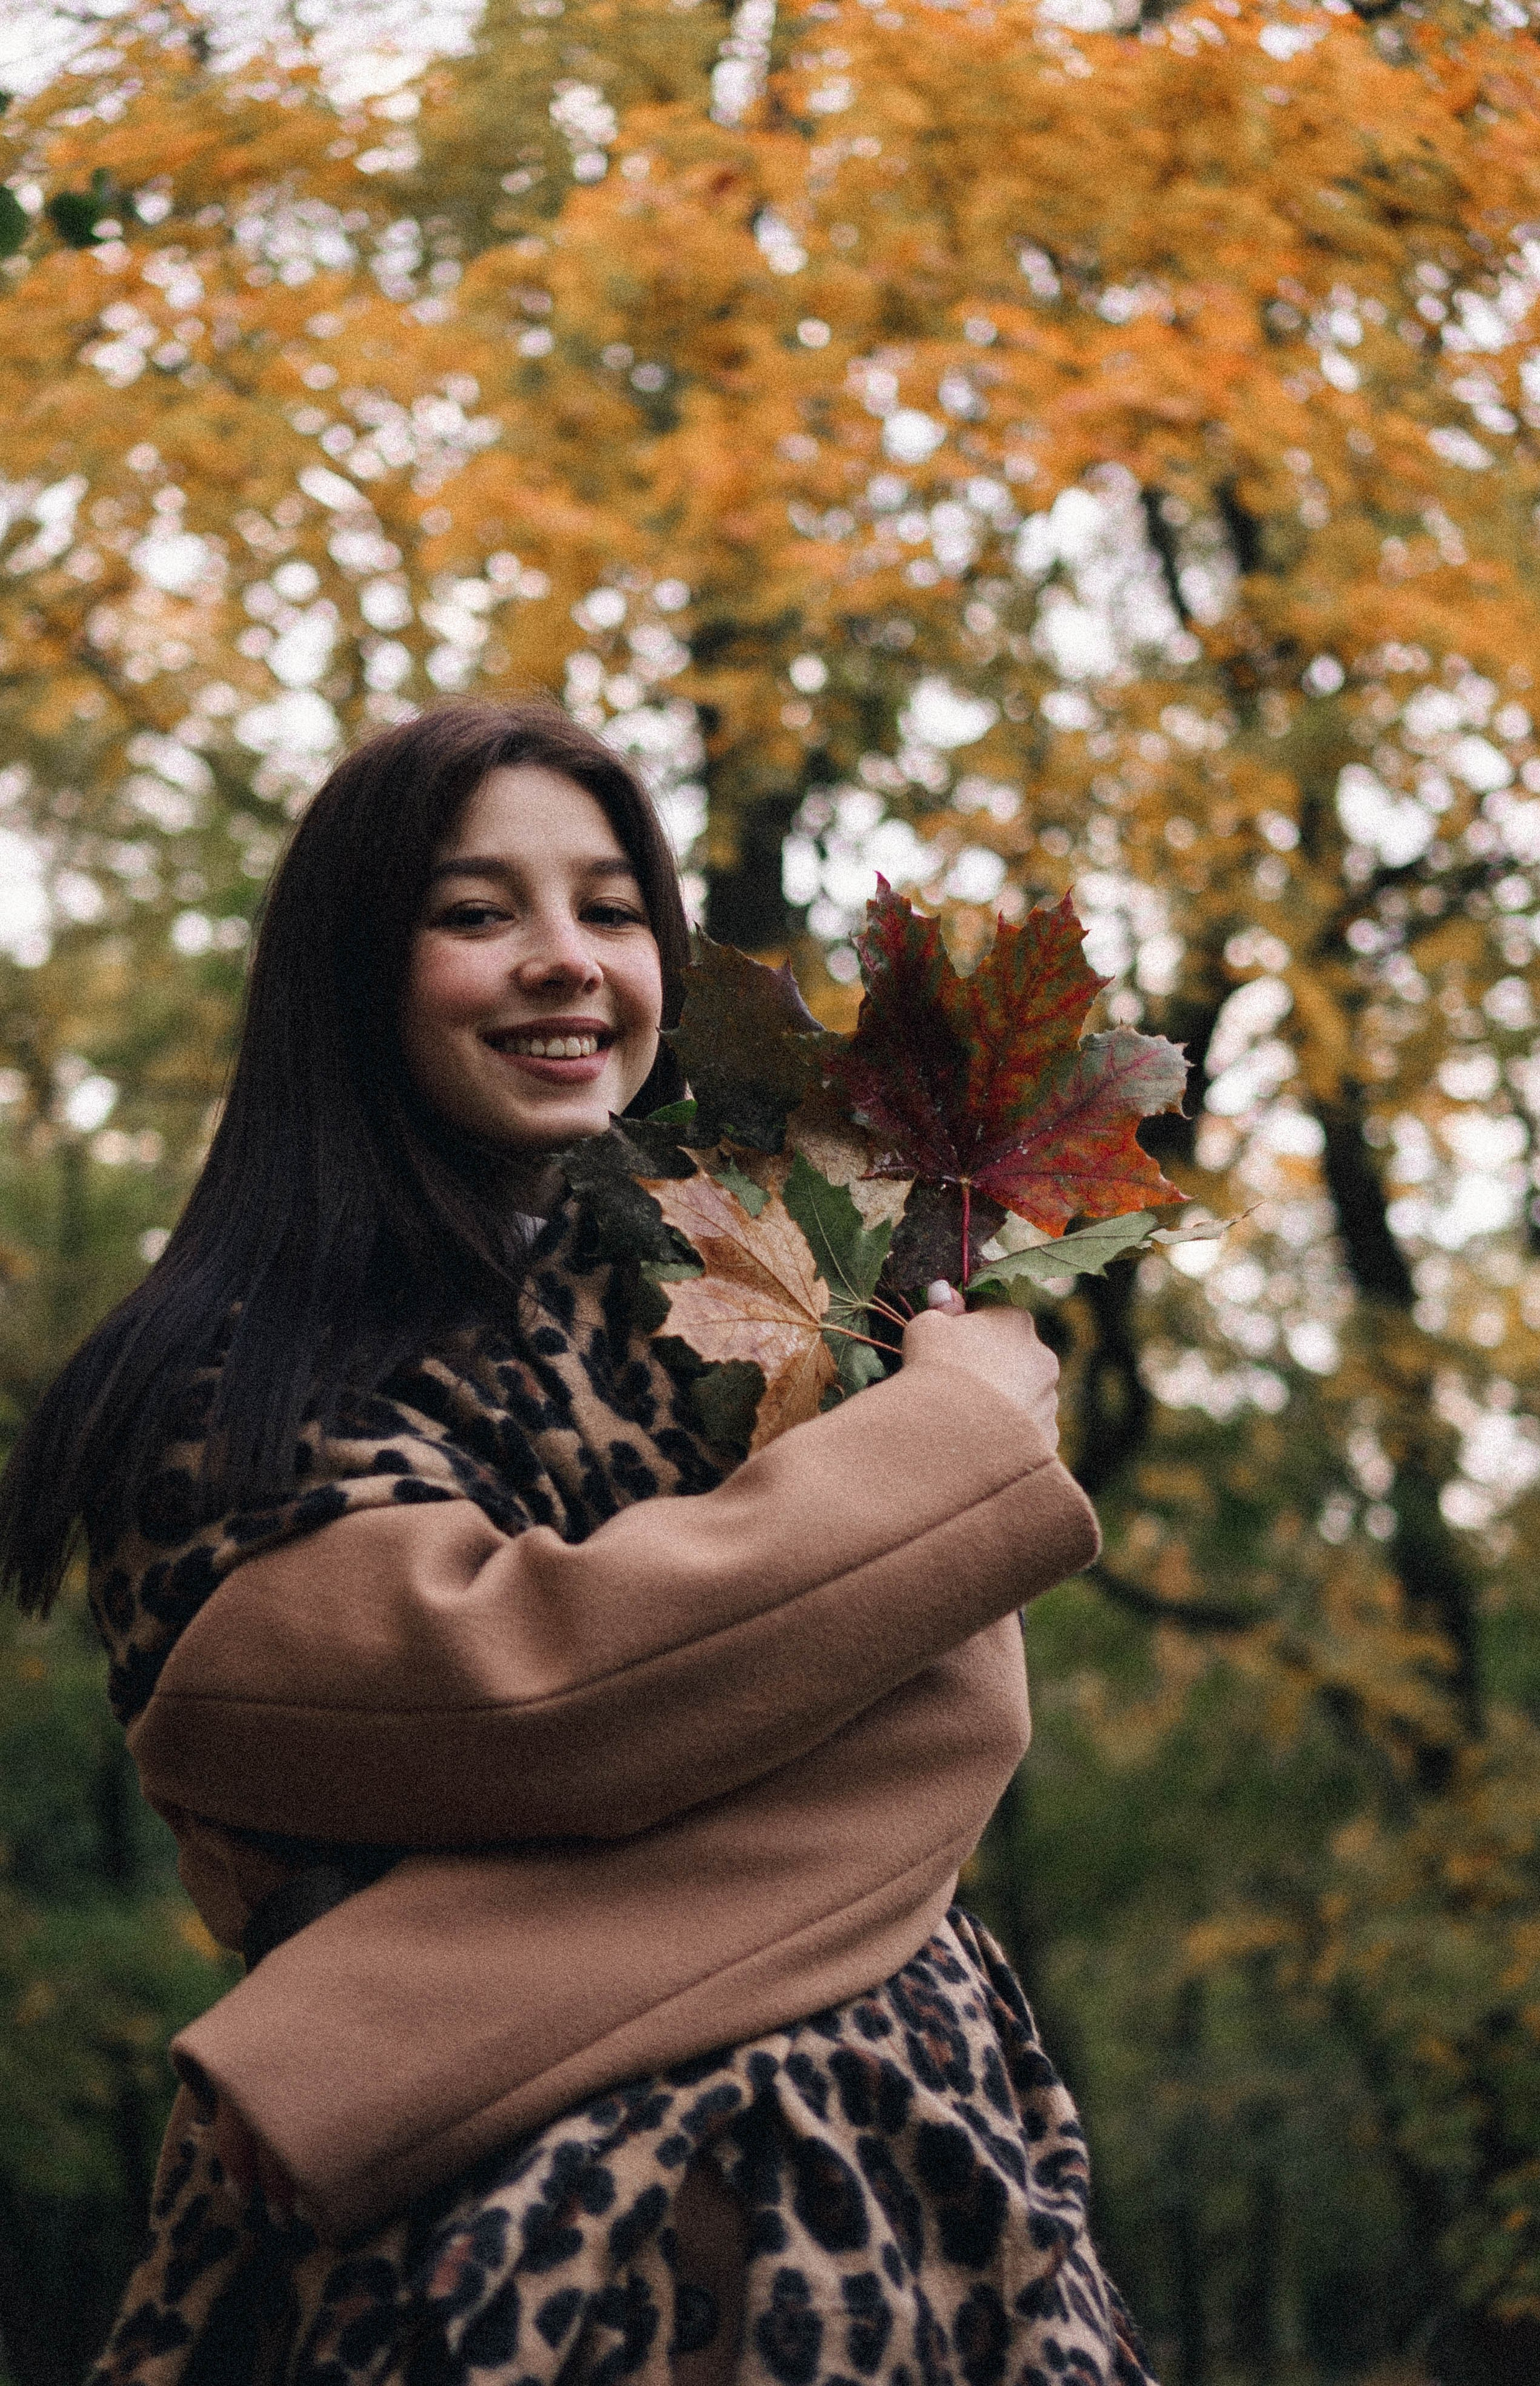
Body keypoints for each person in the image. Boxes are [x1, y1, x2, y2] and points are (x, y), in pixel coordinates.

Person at [0, 699, 1159, 2386]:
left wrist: (359, 2029)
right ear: (352, 974)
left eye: (612, 909)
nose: (566, 959)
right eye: (478, 914)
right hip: (483, 2257)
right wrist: (956, 1448)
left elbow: (954, 1720)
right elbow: (533, 1704)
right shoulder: (233, 1378)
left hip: (918, 2216)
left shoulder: (751, 1305)